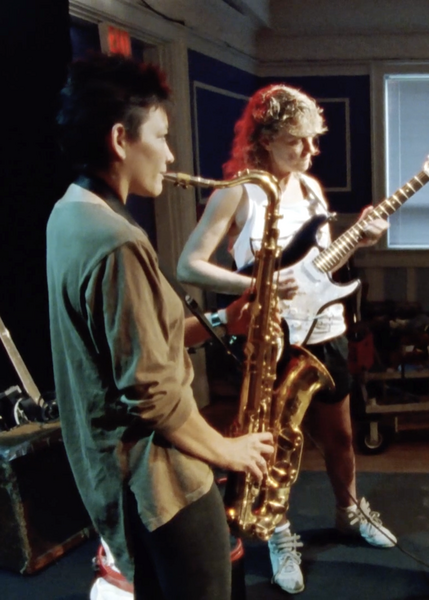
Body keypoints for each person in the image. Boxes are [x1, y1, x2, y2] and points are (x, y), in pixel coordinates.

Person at [47, 54, 275, 600]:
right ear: (120, 139)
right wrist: (229, 451)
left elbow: (128, 343)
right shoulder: (118, 241)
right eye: (162, 136)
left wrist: (220, 321)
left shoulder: (68, 212)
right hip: (160, 483)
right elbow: (151, 394)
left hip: (113, 473)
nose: (171, 156)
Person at [177, 84, 397, 594]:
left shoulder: (311, 189)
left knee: (340, 435)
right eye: (297, 141)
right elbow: (190, 264)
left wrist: (358, 240)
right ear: (265, 138)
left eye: (312, 141)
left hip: (325, 330)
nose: (308, 151)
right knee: (271, 444)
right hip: (270, 338)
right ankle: (278, 534)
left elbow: (318, 271)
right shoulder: (236, 191)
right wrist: (259, 284)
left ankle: (350, 511)